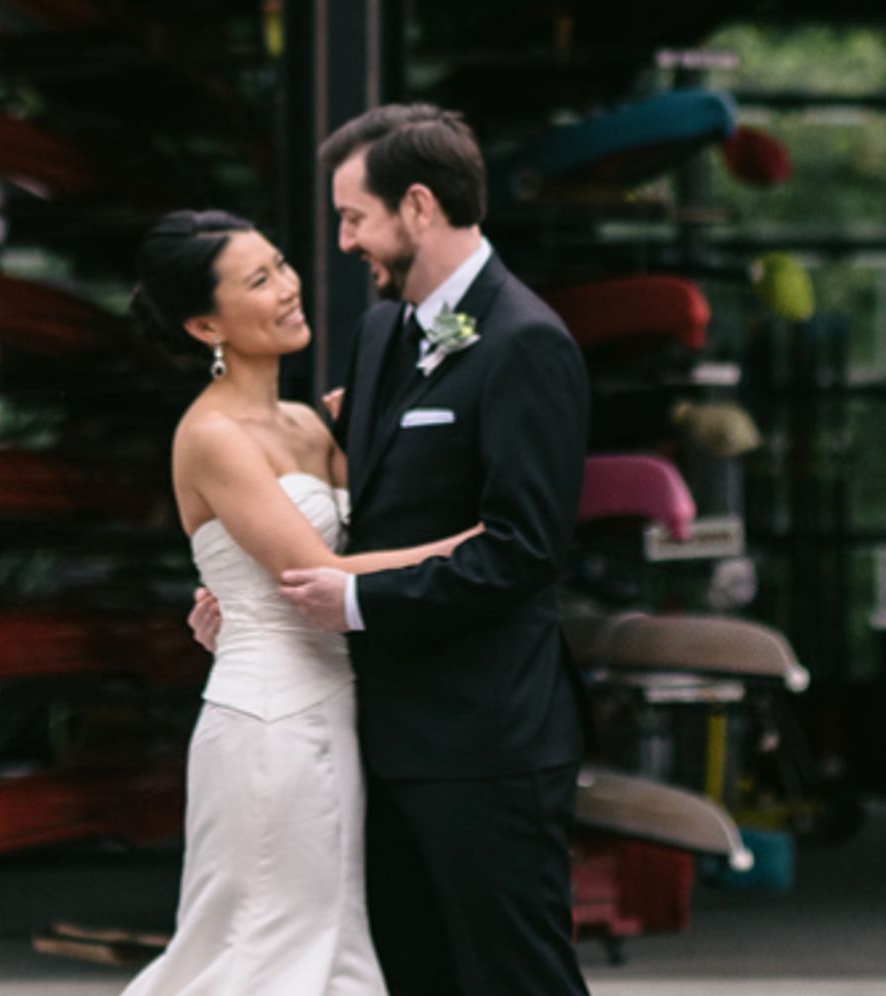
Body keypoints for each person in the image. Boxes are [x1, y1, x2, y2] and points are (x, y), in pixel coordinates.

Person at [196, 103, 596, 996]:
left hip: (486, 743)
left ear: (418, 206)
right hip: (375, 737)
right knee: (414, 978)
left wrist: (352, 602)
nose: (342, 243)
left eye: (353, 218)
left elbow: (525, 550)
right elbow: (352, 500)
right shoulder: (383, 332)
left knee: (517, 978)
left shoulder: (530, 343)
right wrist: (251, 588)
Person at [126, 210, 479, 996]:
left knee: (327, 945)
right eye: (259, 281)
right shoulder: (213, 436)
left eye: (281, 265)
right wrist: (479, 546)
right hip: (269, 728)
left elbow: (375, 523)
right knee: (262, 951)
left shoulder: (308, 421)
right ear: (203, 324)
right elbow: (322, 573)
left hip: (337, 713)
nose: (289, 289)